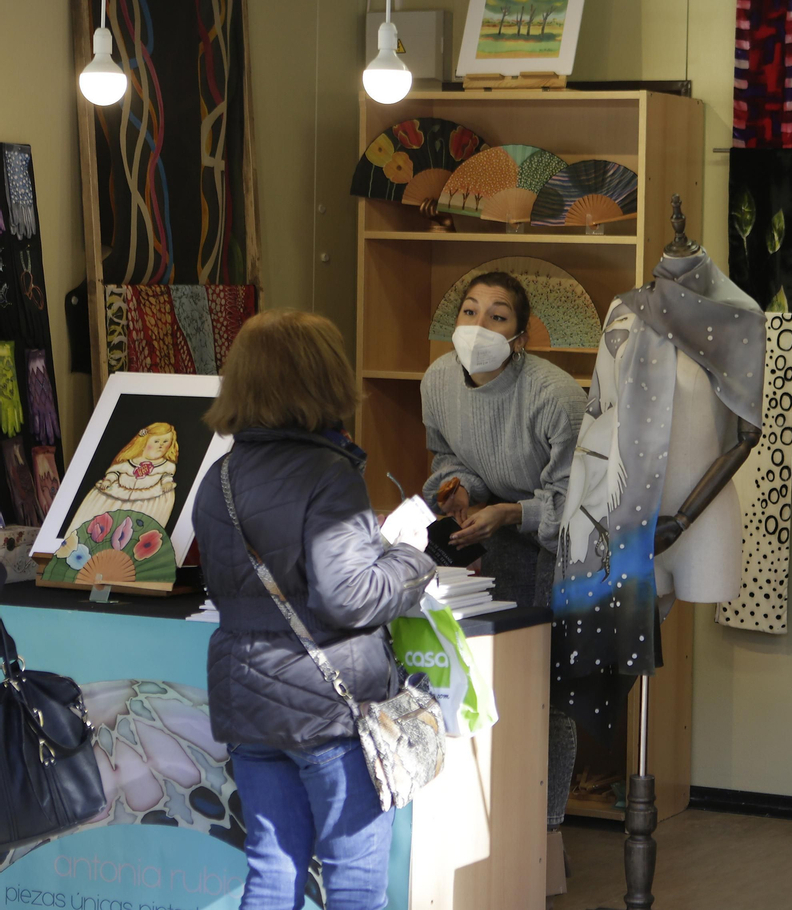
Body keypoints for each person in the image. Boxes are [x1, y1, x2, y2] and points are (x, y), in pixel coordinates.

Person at [192, 309, 435, 910]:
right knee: (355, 884)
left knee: (273, 874)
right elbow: (348, 596)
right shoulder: (330, 474)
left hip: (246, 700)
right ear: (324, 378)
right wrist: (410, 558)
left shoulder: (218, 478)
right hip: (331, 708)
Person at [421, 270, 585, 831]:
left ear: (522, 337)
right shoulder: (438, 379)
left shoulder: (556, 396)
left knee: (545, 686)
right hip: (493, 539)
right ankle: (491, 823)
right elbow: (446, 457)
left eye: (497, 316)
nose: (478, 326)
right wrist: (458, 492)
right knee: (490, 680)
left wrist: (512, 513)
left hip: (560, 549)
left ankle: (543, 834)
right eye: (469, 311)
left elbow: (578, 504)